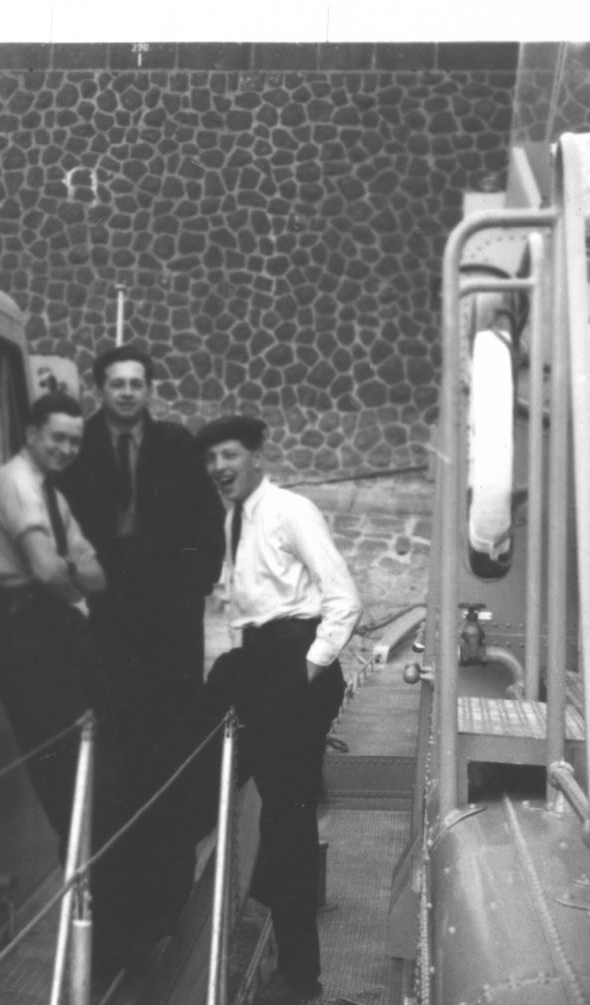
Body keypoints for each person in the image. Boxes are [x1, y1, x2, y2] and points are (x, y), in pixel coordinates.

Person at [185, 414, 362, 1005]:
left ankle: (300, 976)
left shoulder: (290, 510)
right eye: (212, 459)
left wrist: (306, 671)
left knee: (287, 820)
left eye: (230, 455)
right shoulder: (233, 518)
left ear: (256, 456)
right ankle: (204, 895)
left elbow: (344, 599)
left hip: (294, 662)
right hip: (255, 660)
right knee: (194, 764)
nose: (219, 467)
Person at [56, 344, 225, 929]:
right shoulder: (77, 447)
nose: (127, 392)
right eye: (117, 383)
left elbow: (208, 524)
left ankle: (167, 899)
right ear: (99, 389)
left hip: (169, 629)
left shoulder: (176, 445)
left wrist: (190, 588)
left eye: (136, 383)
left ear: (148, 389)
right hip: (104, 625)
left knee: (168, 750)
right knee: (111, 756)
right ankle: (110, 900)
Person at [0, 391, 136, 974]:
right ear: (31, 434)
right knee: (76, 787)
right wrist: (67, 572)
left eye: (74, 440)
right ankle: (98, 947)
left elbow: (97, 578)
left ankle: (109, 937)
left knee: (107, 775)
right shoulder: (14, 483)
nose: (67, 448)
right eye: (58, 438)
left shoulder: (54, 495)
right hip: (30, 636)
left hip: (64, 631)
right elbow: (49, 571)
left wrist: (63, 572)